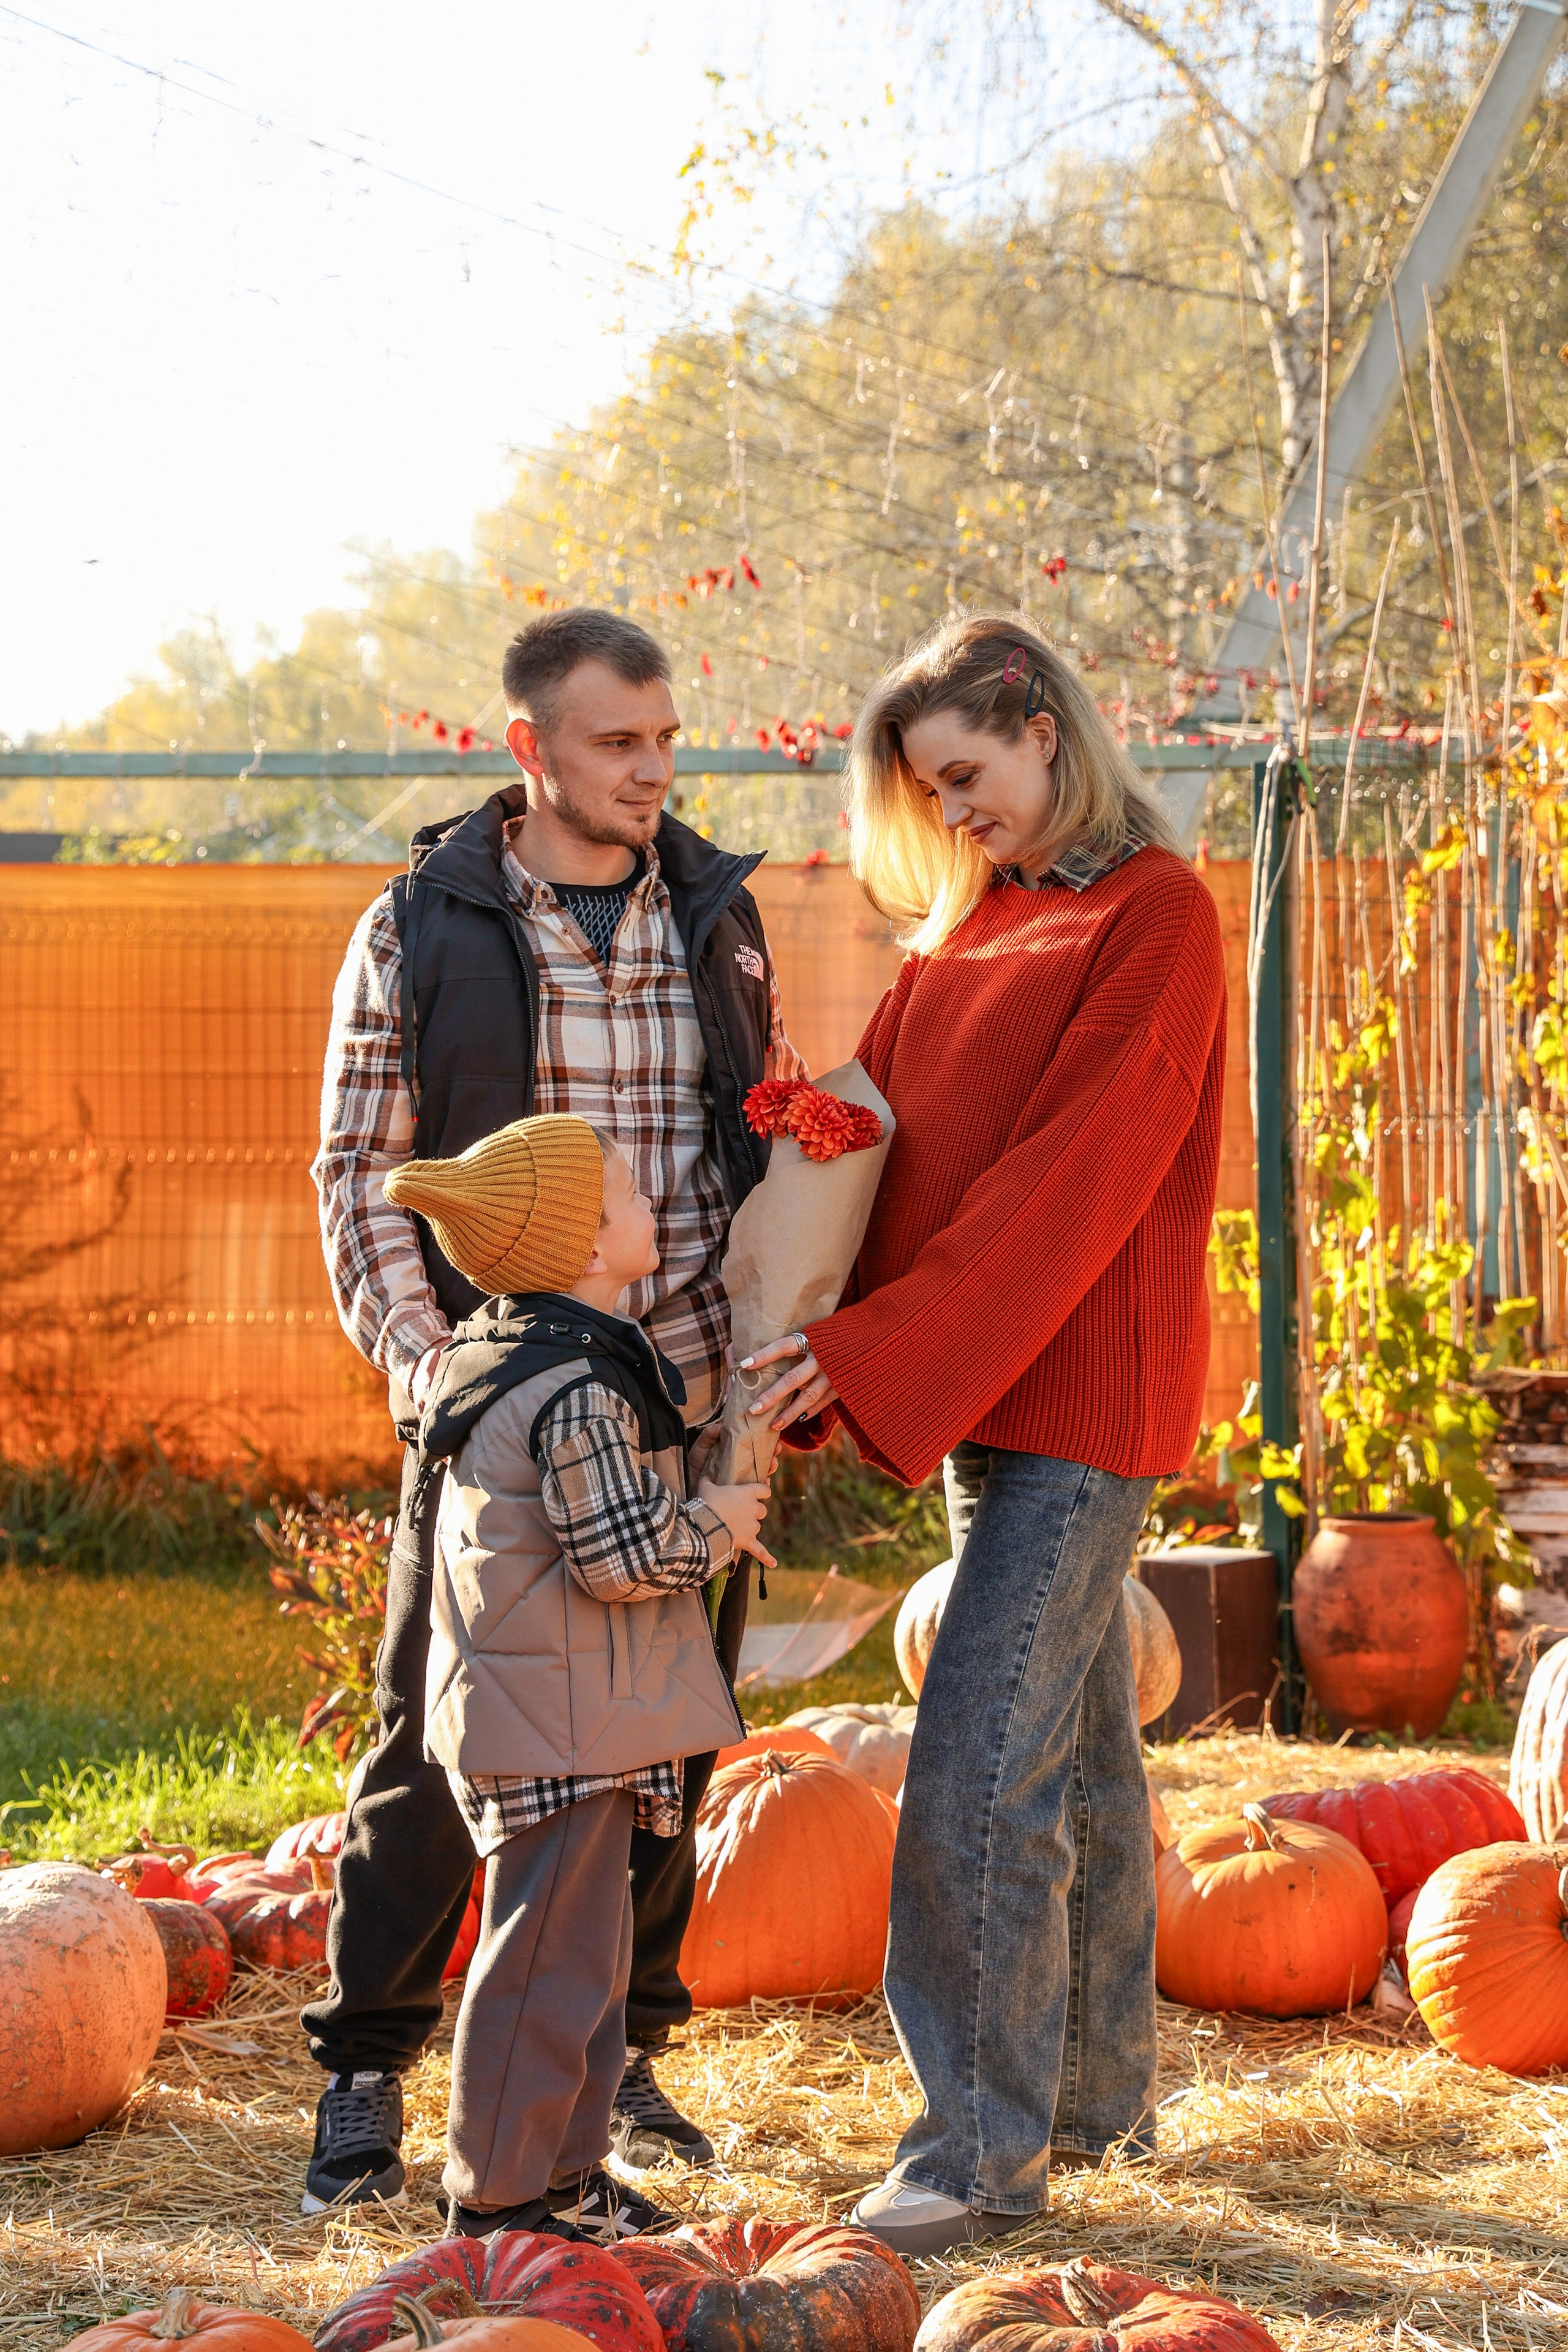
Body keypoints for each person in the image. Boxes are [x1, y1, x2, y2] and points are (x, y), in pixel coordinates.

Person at [306, 605, 805, 2218]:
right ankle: (368, 2072)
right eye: (617, 744)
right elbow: (358, 1167)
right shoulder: (421, 925)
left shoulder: (716, 918)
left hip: (683, 1395)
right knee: (435, 1738)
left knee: (664, 1753)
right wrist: (421, 1370)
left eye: (664, 739)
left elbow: (760, 1133)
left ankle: (617, 2063)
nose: (653, 770)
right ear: (529, 748)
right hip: (503, 1410)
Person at [747, 612, 1226, 2259]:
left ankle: (969, 2158)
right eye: (927, 793)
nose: (954, 813)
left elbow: (1070, 1181)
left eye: (968, 774)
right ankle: (1094, 2105)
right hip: (981, 1397)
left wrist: (871, 1351)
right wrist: (800, 1145)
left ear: (1043, 725)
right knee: (1072, 1761)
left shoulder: (1153, 915)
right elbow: (890, 1126)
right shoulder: (975, 927)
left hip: (1079, 1404)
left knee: (974, 1769)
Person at [380, 1114, 773, 2241]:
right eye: (630, 1194)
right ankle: (499, 2204)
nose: (652, 1203)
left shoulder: (529, 1351)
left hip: (557, 1712)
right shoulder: (573, 1389)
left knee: (585, 1966)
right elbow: (624, 1557)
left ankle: (565, 2170)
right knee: (545, 1972)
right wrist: (710, 1523)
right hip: (553, 1721)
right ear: (583, 1245)